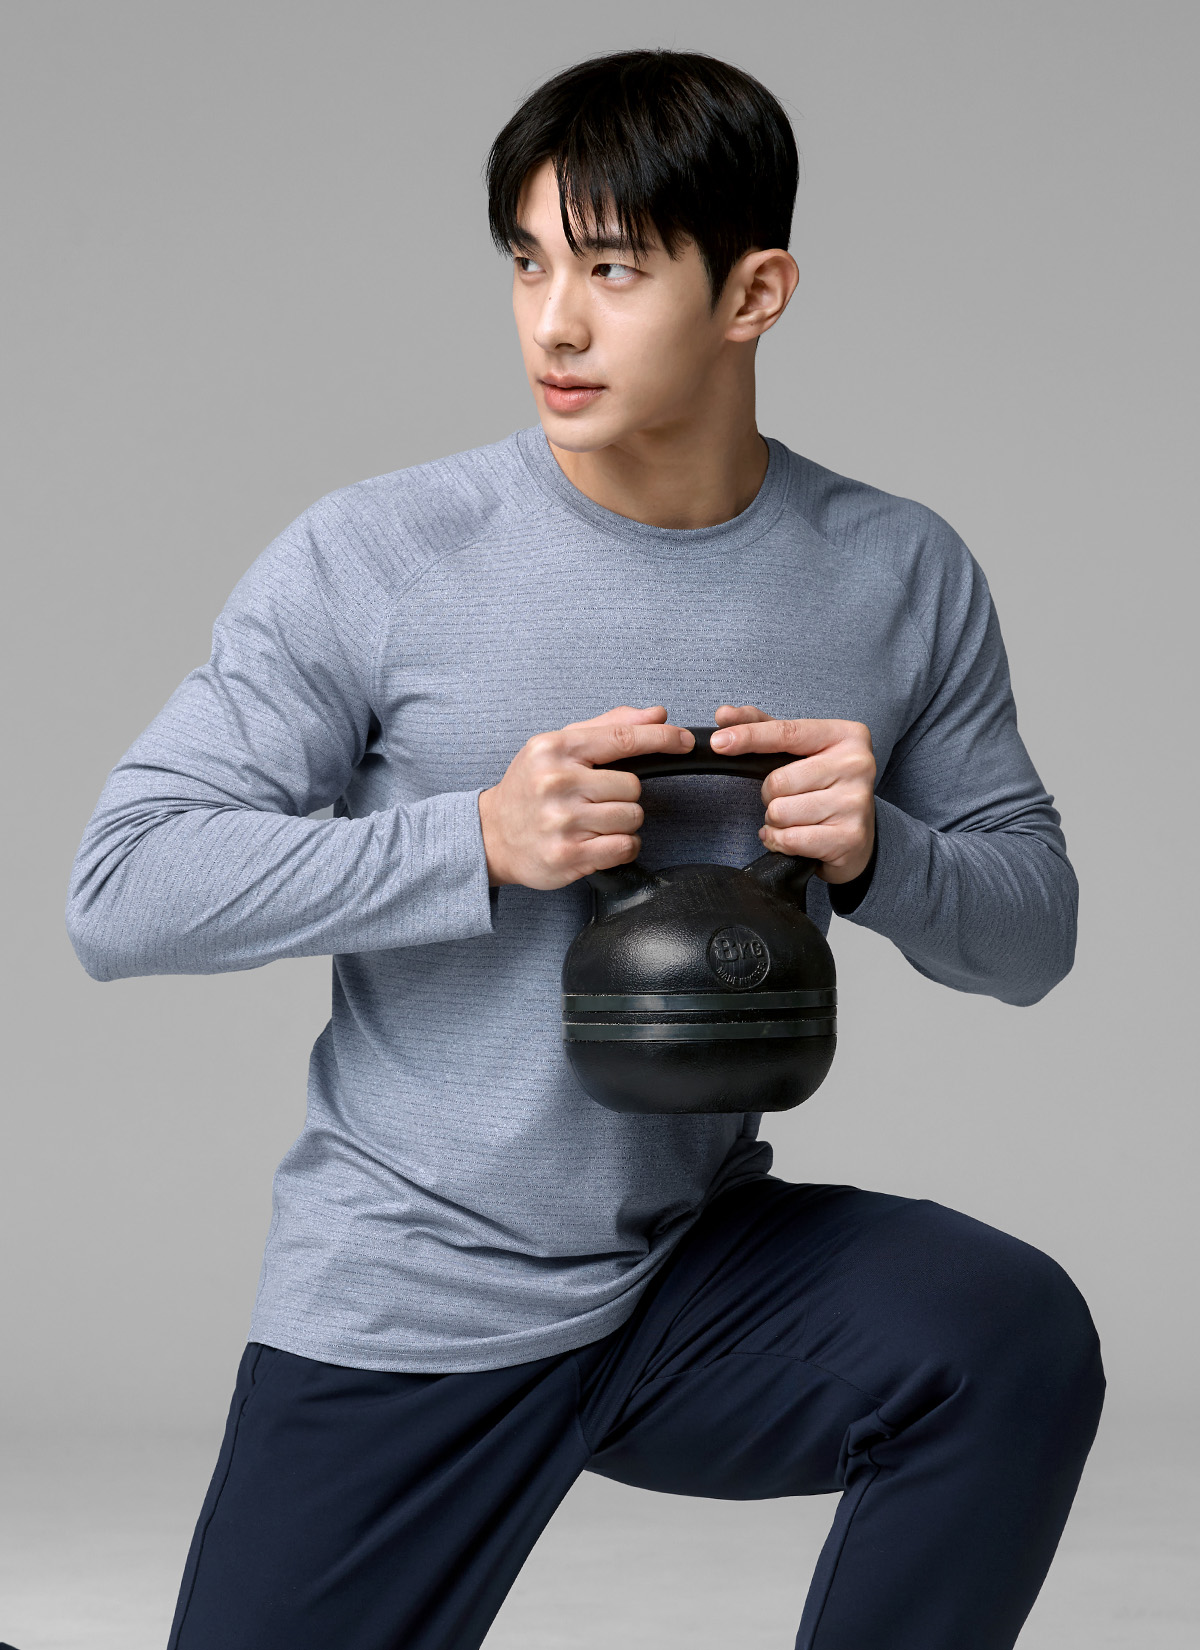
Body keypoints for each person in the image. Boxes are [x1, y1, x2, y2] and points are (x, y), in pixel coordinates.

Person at [66, 48, 1103, 1650]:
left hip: (693, 1276)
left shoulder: (896, 571)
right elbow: (121, 886)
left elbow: (1035, 933)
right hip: (415, 1292)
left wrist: (884, 852)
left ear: (754, 293)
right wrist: (476, 839)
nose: (553, 322)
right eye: (529, 263)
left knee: (1003, 1335)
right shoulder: (380, 556)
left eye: (612, 271)